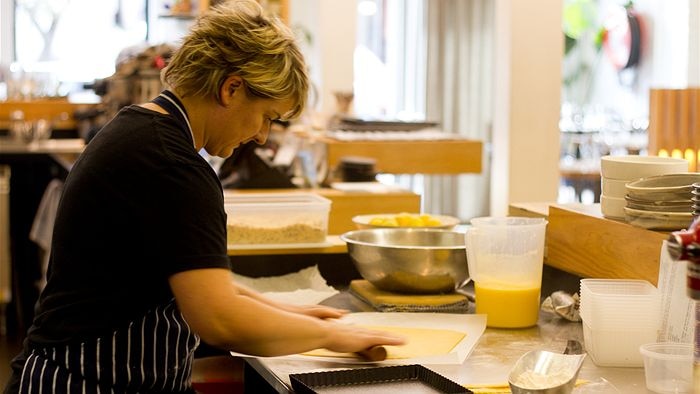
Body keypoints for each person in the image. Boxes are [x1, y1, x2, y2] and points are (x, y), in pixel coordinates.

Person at [4, 1, 405, 392]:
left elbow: (201, 283)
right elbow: (219, 318)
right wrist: (332, 338)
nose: (262, 135)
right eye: (266, 116)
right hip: (88, 381)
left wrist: (291, 312)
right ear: (232, 88)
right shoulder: (173, 166)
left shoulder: (142, 129)